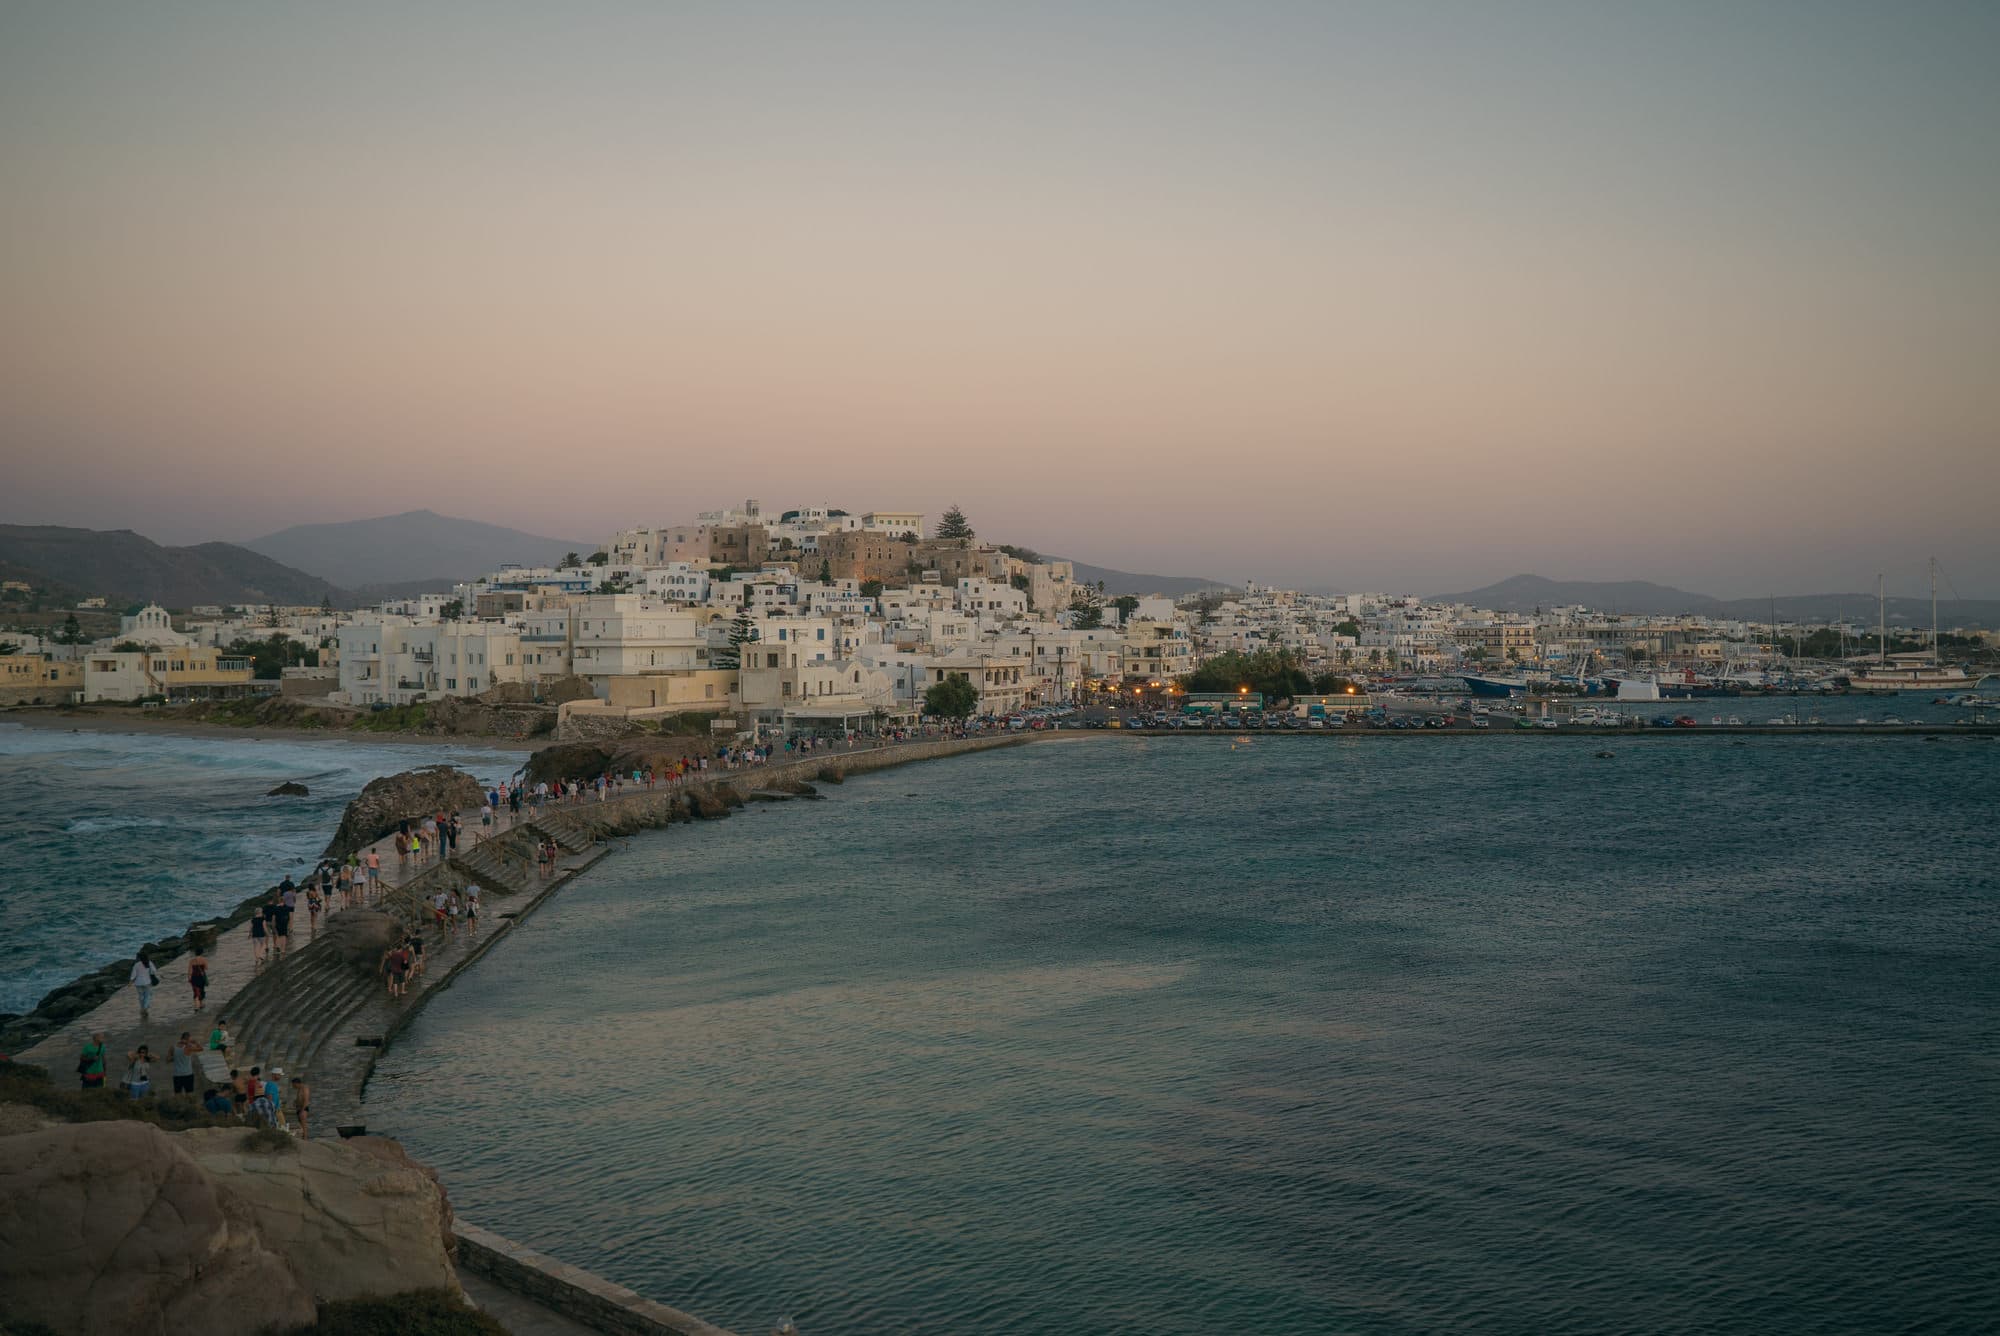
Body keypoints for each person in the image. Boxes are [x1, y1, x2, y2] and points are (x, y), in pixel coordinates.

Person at [130, 951, 159, 1021]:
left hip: (138, 983)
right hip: (147, 982)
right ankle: (145, 1008)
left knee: (141, 996)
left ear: (139, 957)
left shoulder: (137, 965)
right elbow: (154, 971)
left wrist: (130, 981)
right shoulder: (149, 963)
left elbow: (133, 974)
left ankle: (142, 1008)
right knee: (148, 995)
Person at [187, 946, 210, 1010]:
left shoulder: (192, 961)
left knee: (195, 992)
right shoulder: (203, 959)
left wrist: (189, 978)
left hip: (194, 978)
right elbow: (206, 968)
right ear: (202, 952)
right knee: (201, 990)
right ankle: (201, 1004)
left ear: (195, 953)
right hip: (201, 977)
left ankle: (196, 1006)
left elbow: (189, 971)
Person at [290, 1074, 312, 1139]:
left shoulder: (305, 1088)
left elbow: (306, 1100)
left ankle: (305, 1137)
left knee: (303, 1123)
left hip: (303, 1109)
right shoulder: (299, 1089)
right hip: (299, 1108)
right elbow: (299, 1098)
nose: (293, 1086)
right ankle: (303, 1136)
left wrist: (302, 1110)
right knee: (300, 1123)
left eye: (293, 1085)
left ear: (297, 1083)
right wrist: (295, 1102)